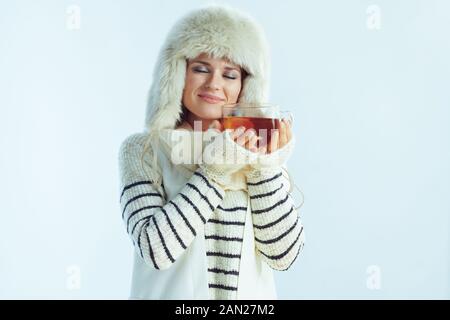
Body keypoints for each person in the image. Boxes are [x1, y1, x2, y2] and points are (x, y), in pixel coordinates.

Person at [118, 4, 305, 300]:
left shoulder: (259, 153)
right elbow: (154, 249)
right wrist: (214, 173)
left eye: (230, 74)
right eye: (201, 69)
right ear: (178, 73)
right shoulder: (142, 151)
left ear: (245, 86)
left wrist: (264, 165)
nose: (214, 84)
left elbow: (284, 254)